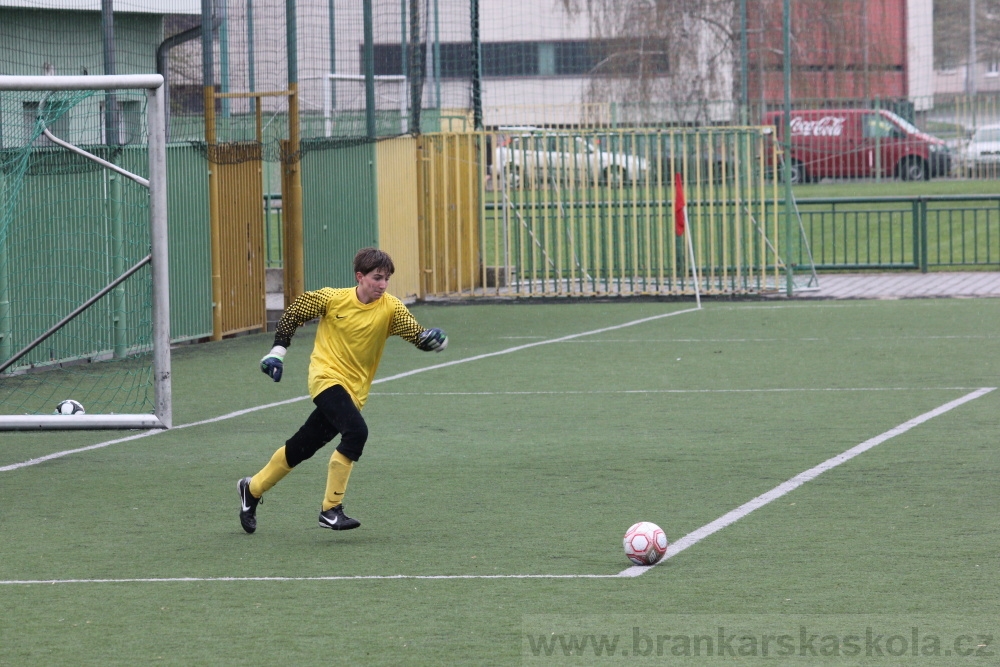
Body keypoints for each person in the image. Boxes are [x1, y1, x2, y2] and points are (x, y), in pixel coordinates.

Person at [237, 247, 448, 534]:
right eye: (377, 278)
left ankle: (252, 488)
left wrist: (429, 339)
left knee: (302, 446)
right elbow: (295, 311)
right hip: (326, 379)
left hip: (355, 391)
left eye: (387, 279)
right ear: (360, 277)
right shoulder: (332, 299)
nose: (383, 285)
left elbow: (415, 334)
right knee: (357, 432)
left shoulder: (392, 308)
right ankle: (330, 509)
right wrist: (277, 352)